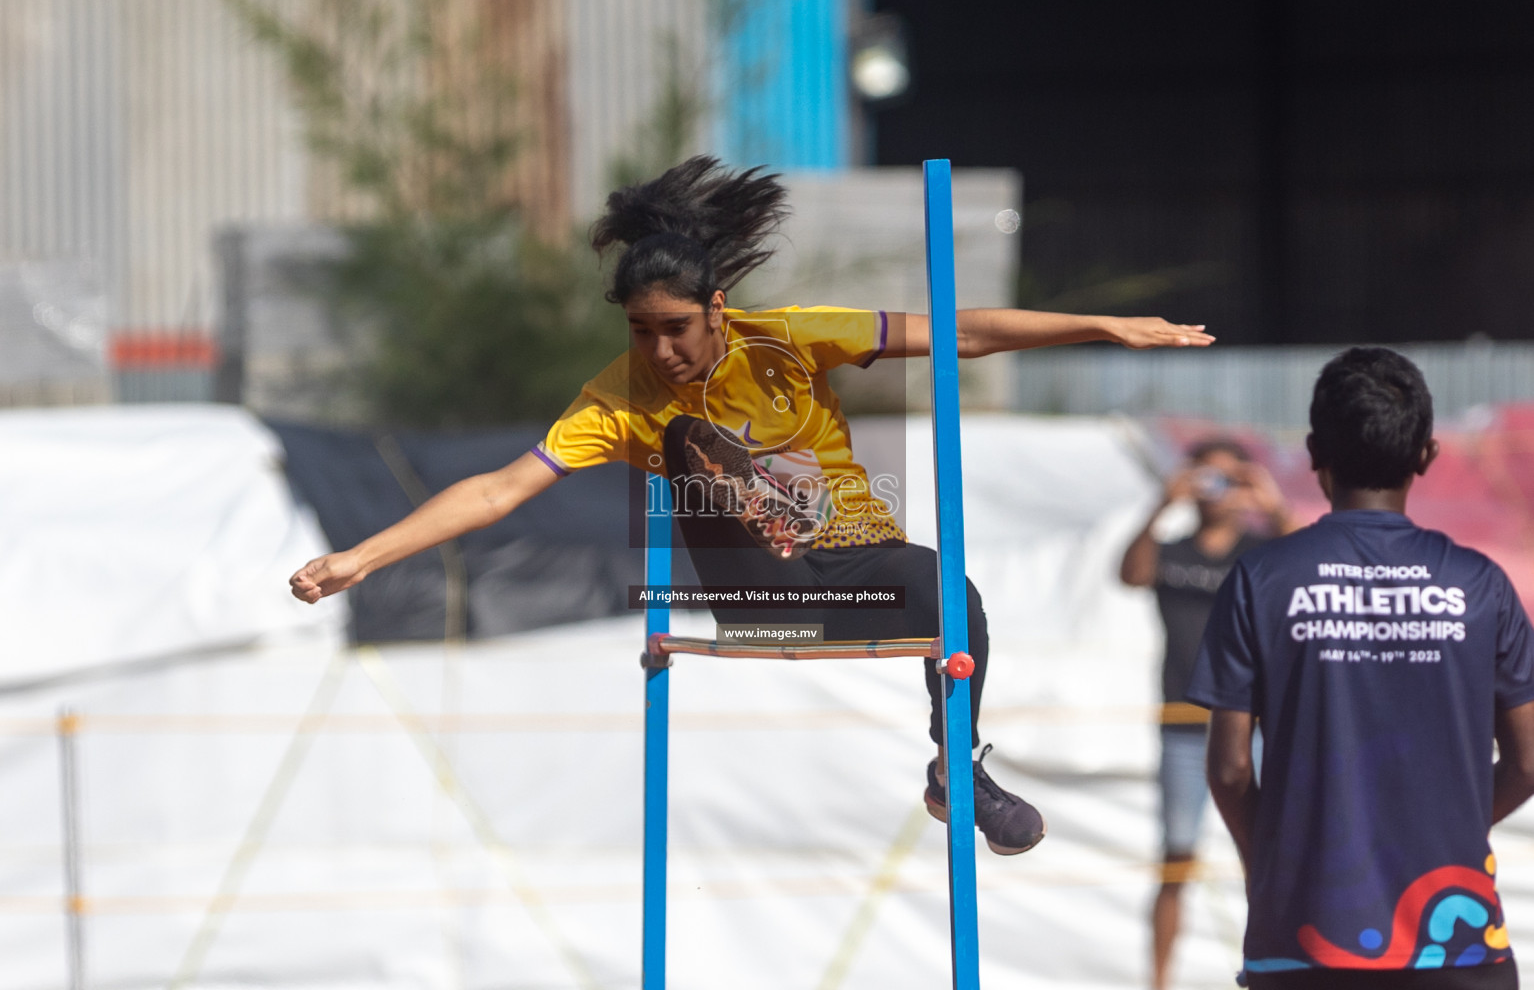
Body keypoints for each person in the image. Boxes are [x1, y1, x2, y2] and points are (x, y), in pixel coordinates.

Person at [289, 155, 1215, 855]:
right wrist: (359, 559)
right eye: (641, 332)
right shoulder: (619, 397)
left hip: (847, 567)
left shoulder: (790, 340)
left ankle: (955, 771)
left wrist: (1105, 326)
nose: (659, 351)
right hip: (754, 580)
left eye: (676, 329)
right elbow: (498, 489)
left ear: (719, 309)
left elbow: (961, 333)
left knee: (950, 592)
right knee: (682, 440)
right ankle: (763, 512)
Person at [1187, 347, 1534, 989]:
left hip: (1302, 939)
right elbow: (1528, 763)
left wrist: (1271, 863)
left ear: (1315, 452)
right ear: (1426, 454)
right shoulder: (1480, 585)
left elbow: (1231, 768)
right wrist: (1441, 824)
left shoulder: (1261, 579)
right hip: (1455, 952)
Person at [1121, 437, 1296, 990]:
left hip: (1256, 729)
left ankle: (1270, 971)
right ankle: (1160, 980)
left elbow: (1307, 572)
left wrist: (1274, 508)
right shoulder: (1172, 551)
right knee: (1176, 860)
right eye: (1207, 477)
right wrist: (1159, 504)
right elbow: (1129, 574)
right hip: (1184, 726)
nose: (1217, 490)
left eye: (1229, 478)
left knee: (1266, 859)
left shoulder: (1259, 553)